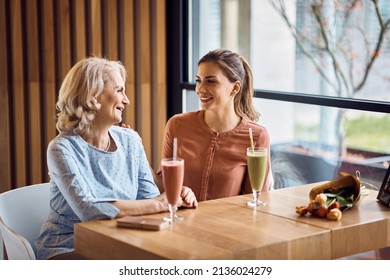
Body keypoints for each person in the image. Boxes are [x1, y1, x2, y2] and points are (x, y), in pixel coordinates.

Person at [35, 57, 197, 260]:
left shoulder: (130, 140)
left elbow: (149, 197)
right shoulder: (61, 148)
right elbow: (90, 210)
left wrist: (170, 198)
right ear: (92, 96)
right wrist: (161, 203)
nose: (127, 100)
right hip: (68, 248)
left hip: (121, 242)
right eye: (119, 90)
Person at [155, 48, 273, 202]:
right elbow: (164, 187)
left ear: (235, 88)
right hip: (181, 222)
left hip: (227, 225)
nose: (200, 89)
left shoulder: (256, 136)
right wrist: (137, 153)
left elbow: (255, 201)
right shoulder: (177, 125)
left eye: (211, 81)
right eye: (198, 80)